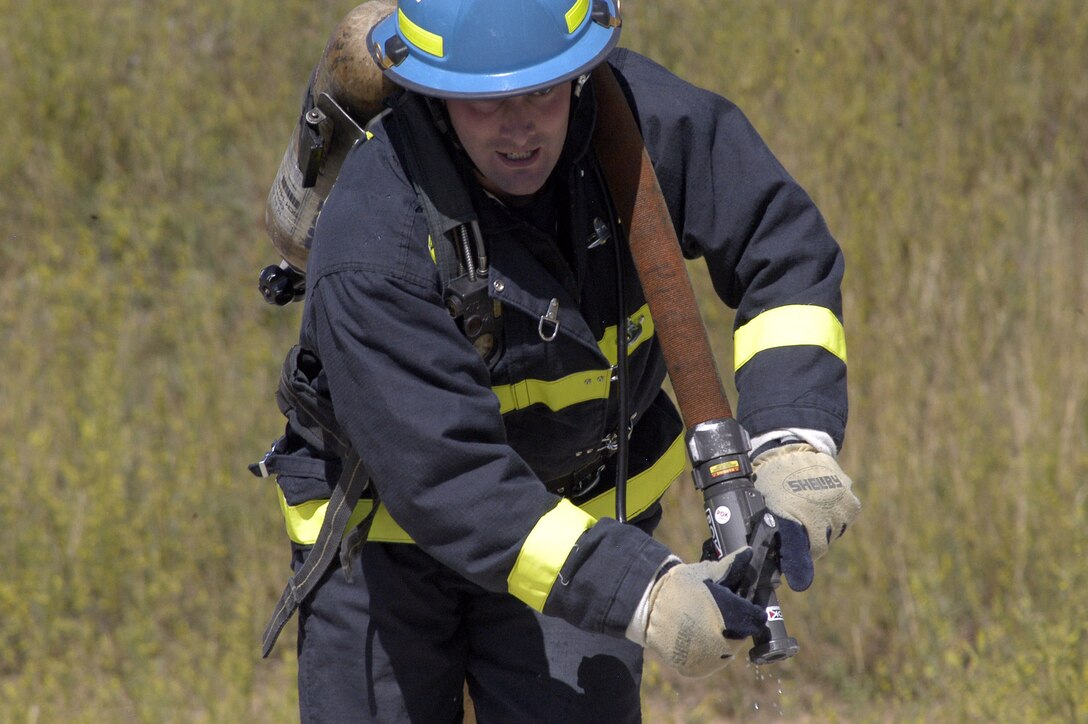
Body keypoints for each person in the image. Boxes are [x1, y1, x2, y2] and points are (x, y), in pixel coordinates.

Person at [261, 0, 860, 721]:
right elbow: (449, 478)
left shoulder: (647, 125)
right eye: (486, 104)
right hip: (385, 541)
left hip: (580, 512)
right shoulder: (371, 240)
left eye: (540, 92)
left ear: (579, 74)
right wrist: (648, 593)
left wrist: (792, 437)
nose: (519, 129)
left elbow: (783, 249)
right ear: (435, 92)